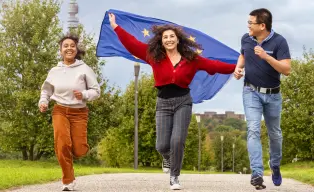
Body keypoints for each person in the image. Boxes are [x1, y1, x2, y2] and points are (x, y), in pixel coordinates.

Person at [108, 13, 236, 190]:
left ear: (178, 40)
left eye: (172, 37)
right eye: (165, 37)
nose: (168, 39)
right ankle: (166, 158)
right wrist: (116, 27)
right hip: (163, 103)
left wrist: (237, 67)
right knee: (161, 145)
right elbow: (132, 44)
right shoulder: (154, 57)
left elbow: (214, 65)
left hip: (183, 101)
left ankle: (174, 177)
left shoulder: (191, 59)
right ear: (161, 41)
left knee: (177, 141)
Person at [234, 8, 291, 190]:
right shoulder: (246, 38)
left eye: (251, 23)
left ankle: (275, 165)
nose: (248, 25)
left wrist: (266, 57)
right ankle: (257, 173)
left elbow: (286, 69)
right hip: (251, 91)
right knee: (253, 130)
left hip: (273, 95)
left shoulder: (279, 42)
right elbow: (243, 54)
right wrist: (238, 68)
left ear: (262, 25)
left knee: (275, 134)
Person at [38, 33, 101, 191]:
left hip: (79, 112)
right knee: (62, 144)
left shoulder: (84, 68)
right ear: (60, 50)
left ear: (76, 49)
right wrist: (43, 101)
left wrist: (84, 94)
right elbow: (46, 90)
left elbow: (96, 91)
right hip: (59, 110)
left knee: (79, 150)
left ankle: (77, 152)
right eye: (65, 46)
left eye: (72, 46)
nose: (69, 48)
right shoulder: (54, 71)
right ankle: (68, 180)